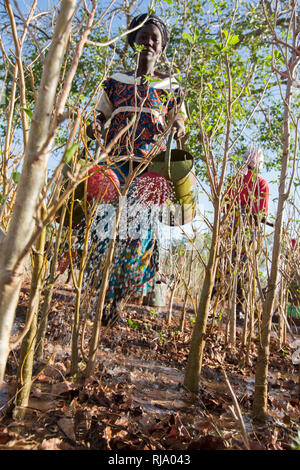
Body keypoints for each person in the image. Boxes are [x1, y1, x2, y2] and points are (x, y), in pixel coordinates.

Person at [80, 13, 186, 326]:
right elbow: (98, 116)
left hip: (148, 167)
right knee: (103, 228)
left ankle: (117, 304)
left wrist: (178, 126)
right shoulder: (114, 81)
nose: (148, 42)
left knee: (138, 235)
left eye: (154, 38)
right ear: (133, 41)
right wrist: (92, 126)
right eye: (142, 36)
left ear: (162, 46)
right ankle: (96, 298)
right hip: (114, 162)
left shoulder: (171, 86)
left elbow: (178, 118)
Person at [214, 147, 270, 318]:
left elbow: (224, 206)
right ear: (259, 164)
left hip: (229, 227)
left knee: (223, 263)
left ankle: (213, 303)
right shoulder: (262, 183)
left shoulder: (234, 181)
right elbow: (261, 213)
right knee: (243, 267)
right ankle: (238, 308)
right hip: (247, 229)